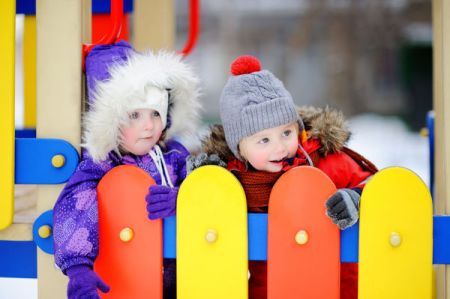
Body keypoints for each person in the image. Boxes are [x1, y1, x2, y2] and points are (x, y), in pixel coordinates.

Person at [196, 55, 377, 299]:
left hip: (339, 288)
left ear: (298, 128)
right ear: (240, 148)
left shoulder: (325, 161)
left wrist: (356, 197)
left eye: (286, 133)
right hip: (270, 290)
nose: (279, 148)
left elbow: (375, 185)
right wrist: (207, 183)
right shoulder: (235, 181)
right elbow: (206, 225)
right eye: (264, 140)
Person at [53, 46, 201, 299]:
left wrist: (182, 198)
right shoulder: (102, 165)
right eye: (134, 115)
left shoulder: (174, 156)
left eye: (155, 113)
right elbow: (76, 206)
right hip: (126, 275)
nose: (148, 125)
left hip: (182, 273)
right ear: (110, 120)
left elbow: (205, 190)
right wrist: (78, 268)